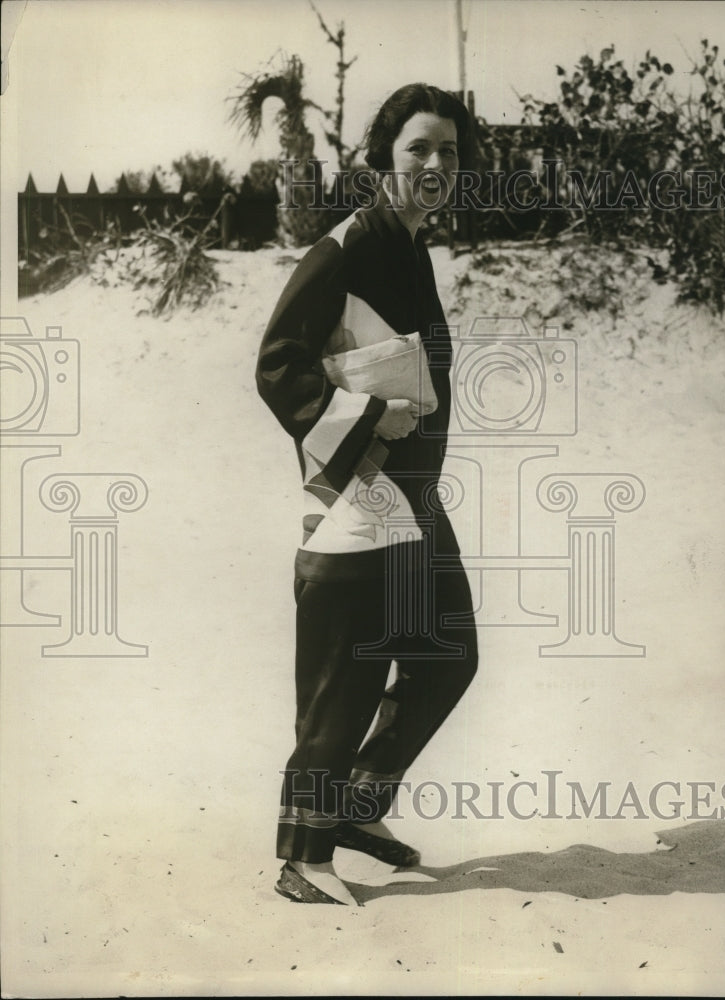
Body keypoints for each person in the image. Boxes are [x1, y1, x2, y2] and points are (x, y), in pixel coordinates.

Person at [256, 83, 478, 906]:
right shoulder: (345, 249)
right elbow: (279, 364)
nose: (434, 164)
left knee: (448, 651)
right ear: (382, 158)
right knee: (345, 674)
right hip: (360, 491)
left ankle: (355, 804)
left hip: (412, 493)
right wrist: (367, 420)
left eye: (449, 152)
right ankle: (303, 858)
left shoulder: (410, 248)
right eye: (418, 147)